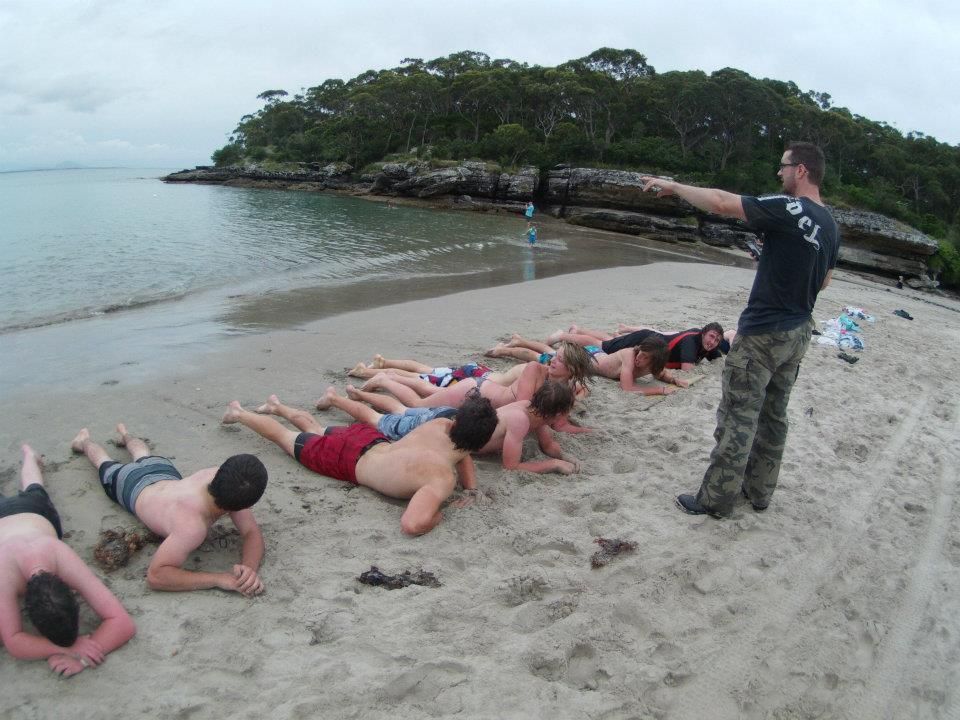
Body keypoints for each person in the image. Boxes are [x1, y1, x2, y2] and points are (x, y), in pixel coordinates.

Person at [641, 141, 840, 516]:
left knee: (738, 414)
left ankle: (715, 500)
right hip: (799, 332)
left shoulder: (789, 207)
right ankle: (759, 492)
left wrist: (676, 187)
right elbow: (825, 281)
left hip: (764, 331)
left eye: (783, 166)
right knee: (774, 416)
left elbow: (720, 202)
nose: (779, 172)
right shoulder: (830, 225)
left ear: (801, 170)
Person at [222, 391, 498, 535]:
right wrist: (442, 513)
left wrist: (471, 487)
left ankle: (277, 407)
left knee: (315, 429)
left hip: (369, 439)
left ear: (456, 422)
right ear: (480, 443)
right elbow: (412, 524)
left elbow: (460, 453)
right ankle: (239, 414)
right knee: (285, 437)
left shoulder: (441, 425)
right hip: (348, 462)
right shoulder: (441, 478)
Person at [71, 425, 267, 595]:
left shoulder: (218, 474)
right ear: (243, 506)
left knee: (143, 455)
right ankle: (84, 441)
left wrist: (248, 569)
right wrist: (218, 579)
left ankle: (125, 435)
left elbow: (251, 533)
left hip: (165, 474)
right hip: (132, 486)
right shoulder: (191, 526)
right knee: (104, 462)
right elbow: (156, 576)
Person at [1, 444, 136, 676]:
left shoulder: (57, 554)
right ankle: (29, 456)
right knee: (33, 486)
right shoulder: (4, 572)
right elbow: (13, 641)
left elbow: (123, 623)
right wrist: (69, 649)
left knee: (34, 488)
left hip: (34, 512)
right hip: (24, 521)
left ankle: (30, 456)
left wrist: (81, 659)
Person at [317, 379, 583, 474]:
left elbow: (548, 444)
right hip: (441, 425)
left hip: (455, 417)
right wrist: (552, 465)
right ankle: (335, 398)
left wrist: (567, 457)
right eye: (565, 413)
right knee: (381, 421)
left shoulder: (532, 410)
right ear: (556, 412)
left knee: (401, 410)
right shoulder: (520, 420)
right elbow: (511, 467)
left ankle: (358, 393)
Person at [488, 333, 675, 396]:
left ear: (655, 361)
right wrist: (659, 390)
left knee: (549, 352)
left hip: (597, 355)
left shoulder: (653, 365)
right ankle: (505, 350)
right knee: (544, 358)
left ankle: (520, 340)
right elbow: (627, 388)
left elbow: (660, 373)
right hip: (588, 359)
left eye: (645, 358)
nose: (639, 359)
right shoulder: (629, 355)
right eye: (641, 353)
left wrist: (674, 380)